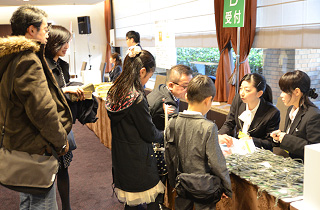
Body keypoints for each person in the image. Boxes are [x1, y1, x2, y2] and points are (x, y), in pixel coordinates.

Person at [0, 5, 72, 210]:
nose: (48, 32)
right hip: (35, 144)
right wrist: (60, 141)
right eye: (45, 28)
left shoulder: (11, 56)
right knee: (42, 200)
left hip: (20, 141)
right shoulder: (28, 59)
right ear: (31, 30)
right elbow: (43, 110)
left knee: (28, 198)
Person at [105, 46, 164, 210]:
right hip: (137, 158)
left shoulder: (116, 89)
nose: (147, 80)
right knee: (139, 202)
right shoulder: (137, 97)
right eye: (149, 76)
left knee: (131, 203)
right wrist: (164, 134)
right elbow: (149, 133)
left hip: (121, 154)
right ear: (143, 71)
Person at [165, 75, 232, 210]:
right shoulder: (208, 127)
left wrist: (174, 182)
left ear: (186, 97)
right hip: (204, 188)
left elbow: (169, 155)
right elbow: (216, 162)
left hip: (182, 184)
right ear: (208, 101)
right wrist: (226, 187)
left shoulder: (172, 122)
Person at [45, 25, 85, 210]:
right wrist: (64, 90)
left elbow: (62, 90)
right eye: (63, 42)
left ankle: (66, 207)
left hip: (63, 124)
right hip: (48, 126)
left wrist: (73, 90)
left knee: (64, 168)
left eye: (68, 42)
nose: (67, 46)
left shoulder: (62, 65)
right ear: (52, 43)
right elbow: (42, 96)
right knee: (48, 172)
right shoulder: (42, 65)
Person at [219, 73, 280, 151]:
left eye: (247, 90)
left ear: (259, 93)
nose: (242, 93)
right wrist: (220, 136)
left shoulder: (272, 113)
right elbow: (229, 123)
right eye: (241, 88)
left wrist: (251, 140)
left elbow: (270, 143)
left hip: (258, 152)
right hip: (239, 147)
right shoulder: (238, 99)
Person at [271, 70, 320, 161]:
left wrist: (285, 138)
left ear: (297, 92)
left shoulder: (314, 115)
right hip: (290, 163)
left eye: (284, 91)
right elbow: (292, 137)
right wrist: (278, 138)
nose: (281, 95)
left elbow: (315, 150)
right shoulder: (291, 109)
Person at [147, 64, 193, 131]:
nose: (188, 90)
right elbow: (178, 129)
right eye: (185, 86)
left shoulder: (162, 88)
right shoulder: (168, 104)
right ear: (171, 85)